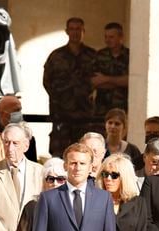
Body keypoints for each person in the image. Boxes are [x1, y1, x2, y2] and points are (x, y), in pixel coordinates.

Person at [43, 17, 97, 157]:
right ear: (67, 31)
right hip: (61, 114)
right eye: (72, 29)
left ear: (83, 31)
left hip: (85, 115)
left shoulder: (92, 56)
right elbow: (47, 82)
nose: (75, 32)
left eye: (78, 29)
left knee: (85, 151)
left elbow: (98, 81)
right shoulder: (56, 56)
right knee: (60, 154)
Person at [91, 22, 129, 117]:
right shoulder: (99, 56)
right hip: (102, 108)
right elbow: (95, 81)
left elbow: (132, 81)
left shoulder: (130, 56)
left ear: (121, 37)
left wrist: (106, 79)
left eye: (111, 37)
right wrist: (120, 81)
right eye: (106, 37)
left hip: (124, 108)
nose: (107, 40)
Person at [0, 95, 37, 162]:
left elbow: (31, 166)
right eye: (16, 110)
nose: (19, 113)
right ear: (3, 113)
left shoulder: (28, 138)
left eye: (20, 110)